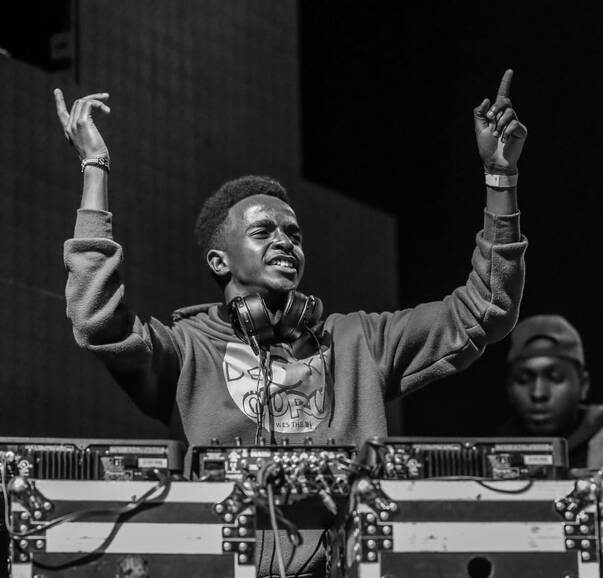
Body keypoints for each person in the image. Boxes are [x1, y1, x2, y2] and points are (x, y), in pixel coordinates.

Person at [55, 70, 527, 576]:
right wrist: (95, 166)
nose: (285, 241)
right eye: (262, 232)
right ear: (219, 261)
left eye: (294, 234)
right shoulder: (186, 349)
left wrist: (500, 178)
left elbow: (486, 309)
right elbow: (96, 320)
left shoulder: (358, 341)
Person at [497, 314, 603, 469]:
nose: (538, 393)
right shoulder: (494, 452)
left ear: (584, 385)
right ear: (509, 389)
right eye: (523, 380)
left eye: (555, 378)